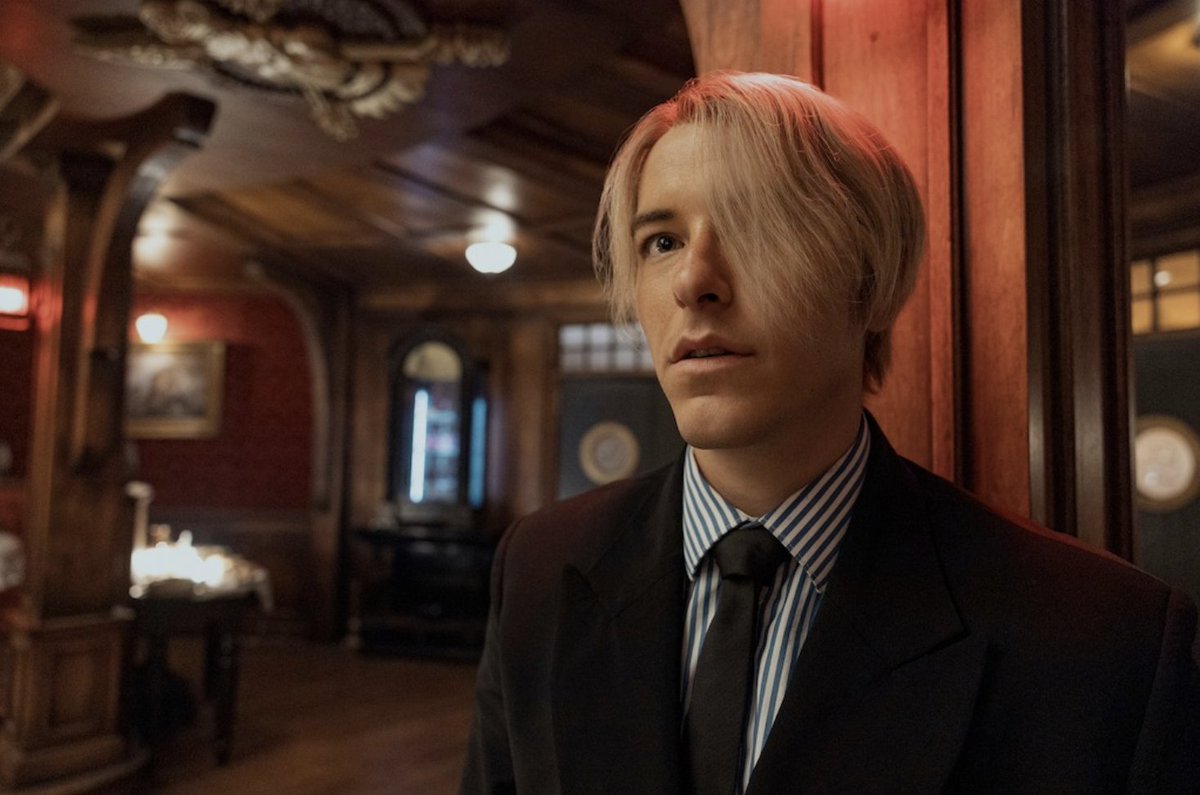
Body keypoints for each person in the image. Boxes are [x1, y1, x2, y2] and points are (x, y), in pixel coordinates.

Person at [461, 72, 1200, 794]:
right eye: (661, 241)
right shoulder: (539, 570)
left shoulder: (1102, 638)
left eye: (755, 226)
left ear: (869, 277)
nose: (693, 281)